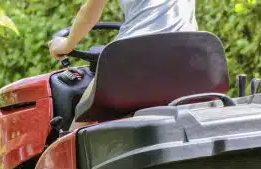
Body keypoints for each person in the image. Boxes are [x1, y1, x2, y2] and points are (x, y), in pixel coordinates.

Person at [49, 0, 198, 130]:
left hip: (136, 59)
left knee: (83, 115)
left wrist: (66, 45)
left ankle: (65, 157)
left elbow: (90, 11)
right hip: (192, 57)